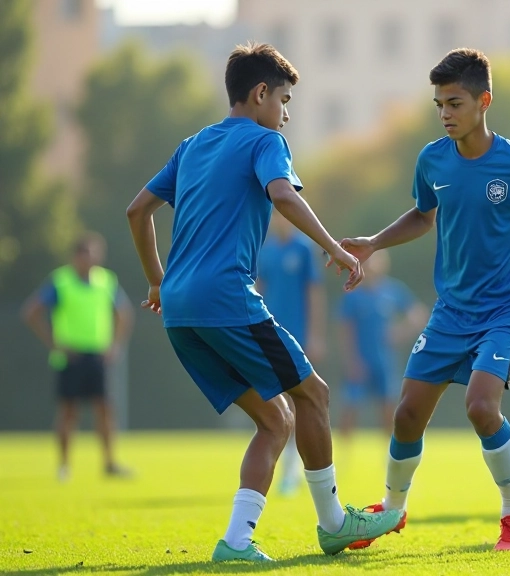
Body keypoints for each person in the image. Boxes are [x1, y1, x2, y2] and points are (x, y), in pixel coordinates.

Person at [125, 42, 403, 562]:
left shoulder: (192, 146)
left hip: (181, 311)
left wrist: (158, 281)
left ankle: (234, 542)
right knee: (315, 395)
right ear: (259, 94)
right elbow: (283, 194)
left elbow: (137, 211)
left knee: (276, 419)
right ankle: (335, 523)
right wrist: (335, 248)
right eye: (284, 99)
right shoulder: (264, 140)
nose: (287, 113)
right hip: (225, 299)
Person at [340, 48, 510, 552]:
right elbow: (422, 215)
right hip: (450, 311)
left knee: (479, 406)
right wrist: (373, 243)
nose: (445, 113)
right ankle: (391, 509)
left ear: (484, 101)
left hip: (505, 309)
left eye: (454, 102)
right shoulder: (432, 159)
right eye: (438, 104)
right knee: (406, 414)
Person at [22, 232, 134, 482]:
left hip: (98, 356)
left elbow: (123, 313)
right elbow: (31, 312)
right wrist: (54, 345)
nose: (90, 260)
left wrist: (115, 346)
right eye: (85, 255)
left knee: (105, 409)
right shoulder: (60, 281)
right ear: (75, 257)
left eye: (94, 254)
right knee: (68, 412)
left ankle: (109, 463)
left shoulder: (107, 281)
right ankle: (63, 466)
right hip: (70, 357)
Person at [256, 210, 327, 495]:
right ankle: (274, 465)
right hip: (270, 334)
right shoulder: (266, 250)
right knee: (273, 398)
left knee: (300, 400)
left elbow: (314, 292)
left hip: (297, 334)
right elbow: (258, 289)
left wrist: (315, 335)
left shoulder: (304, 248)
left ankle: (292, 468)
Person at [336, 249, 427, 439]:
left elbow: (418, 315)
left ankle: (389, 452)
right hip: (360, 361)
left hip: (384, 361)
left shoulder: (393, 291)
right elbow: (345, 330)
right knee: (350, 407)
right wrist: (351, 360)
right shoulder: (353, 294)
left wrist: (401, 332)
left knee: (388, 409)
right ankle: (342, 456)